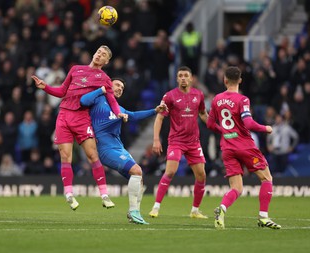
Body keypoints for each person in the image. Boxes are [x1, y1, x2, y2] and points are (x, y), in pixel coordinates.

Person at [31, 45, 127, 211]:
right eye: (98, 51)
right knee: (65, 156)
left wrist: (118, 113)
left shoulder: (104, 78)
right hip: (64, 116)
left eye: (103, 54)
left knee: (92, 155)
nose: (99, 55)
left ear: (106, 61)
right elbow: (62, 91)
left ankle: (104, 195)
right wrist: (45, 87)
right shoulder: (75, 69)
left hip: (82, 118)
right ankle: (69, 194)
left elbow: (111, 100)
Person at [80, 78, 167, 224]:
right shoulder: (98, 100)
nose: (120, 88)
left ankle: (134, 213)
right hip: (105, 148)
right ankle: (133, 212)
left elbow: (133, 115)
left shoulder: (119, 108)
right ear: (109, 86)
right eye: (117, 85)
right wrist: (101, 89)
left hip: (118, 146)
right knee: (137, 171)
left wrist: (154, 111)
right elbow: (83, 101)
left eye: (122, 87)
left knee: (139, 179)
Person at [206, 66, 281, 229]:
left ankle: (222, 209)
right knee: (267, 178)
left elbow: (210, 124)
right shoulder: (243, 100)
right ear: (240, 80)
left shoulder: (216, 99)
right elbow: (248, 123)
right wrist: (265, 128)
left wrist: (226, 132)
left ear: (224, 80)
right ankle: (263, 217)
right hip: (245, 146)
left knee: (237, 188)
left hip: (227, 148)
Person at [149, 66, 208, 219]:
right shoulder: (170, 96)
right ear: (177, 79)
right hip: (176, 140)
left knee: (201, 175)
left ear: (191, 78)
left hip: (194, 142)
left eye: (185, 75)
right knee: (170, 171)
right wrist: (156, 139)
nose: (183, 78)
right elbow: (160, 117)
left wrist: (215, 126)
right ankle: (156, 207)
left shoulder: (199, 95)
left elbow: (202, 114)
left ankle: (195, 211)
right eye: (180, 75)